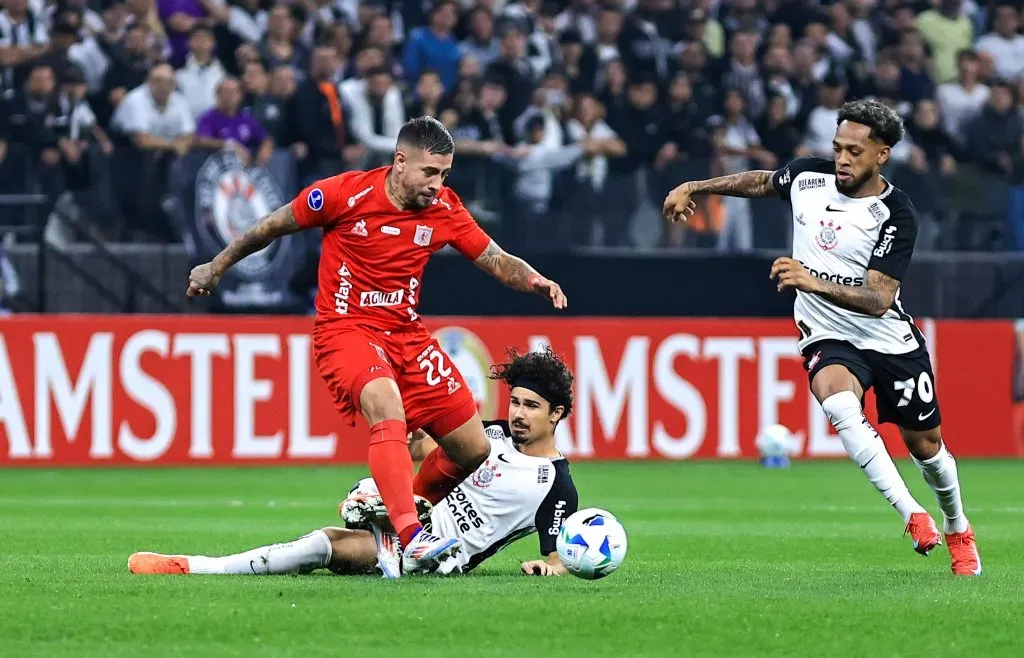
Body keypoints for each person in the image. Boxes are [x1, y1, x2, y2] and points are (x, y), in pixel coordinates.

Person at [185, 116, 567, 576]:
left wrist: (534, 280)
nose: (437, 184)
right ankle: (411, 538)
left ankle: (400, 511)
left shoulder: (444, 208)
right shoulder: (343, 194)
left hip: (407, 335)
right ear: (400, 161)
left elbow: (495, 260)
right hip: (347, 330)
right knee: (386, 405)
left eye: (445, 174)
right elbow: (270, 226)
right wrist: (217, 265)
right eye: (429, 172)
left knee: (473, 449)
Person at [662, 100, 981, 577]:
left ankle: (957, 526)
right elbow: (761, 181)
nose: (842, 159)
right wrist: (697, 186)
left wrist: (811, 279)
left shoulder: (895, 213)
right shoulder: (808, 178)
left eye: (855, 151)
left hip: (888, 337)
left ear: (882, 155)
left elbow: (878, 298)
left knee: (927, 448)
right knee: (837, 400)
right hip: (828, 334)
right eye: (837, 148)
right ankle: (911, 514)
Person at [127, 346, 579, 578]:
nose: (519, 414)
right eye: (516, 402)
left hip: (436, 556)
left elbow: (560, 557)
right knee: (367, 490)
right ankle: (379, 513)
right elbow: (425, 455)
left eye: (532, 407)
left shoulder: (555, 484)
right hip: (411, 519)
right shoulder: (491, 433)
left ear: (556, 414)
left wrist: (547, 569)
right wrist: (413, 436)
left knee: (322, 544)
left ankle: (199, 566)